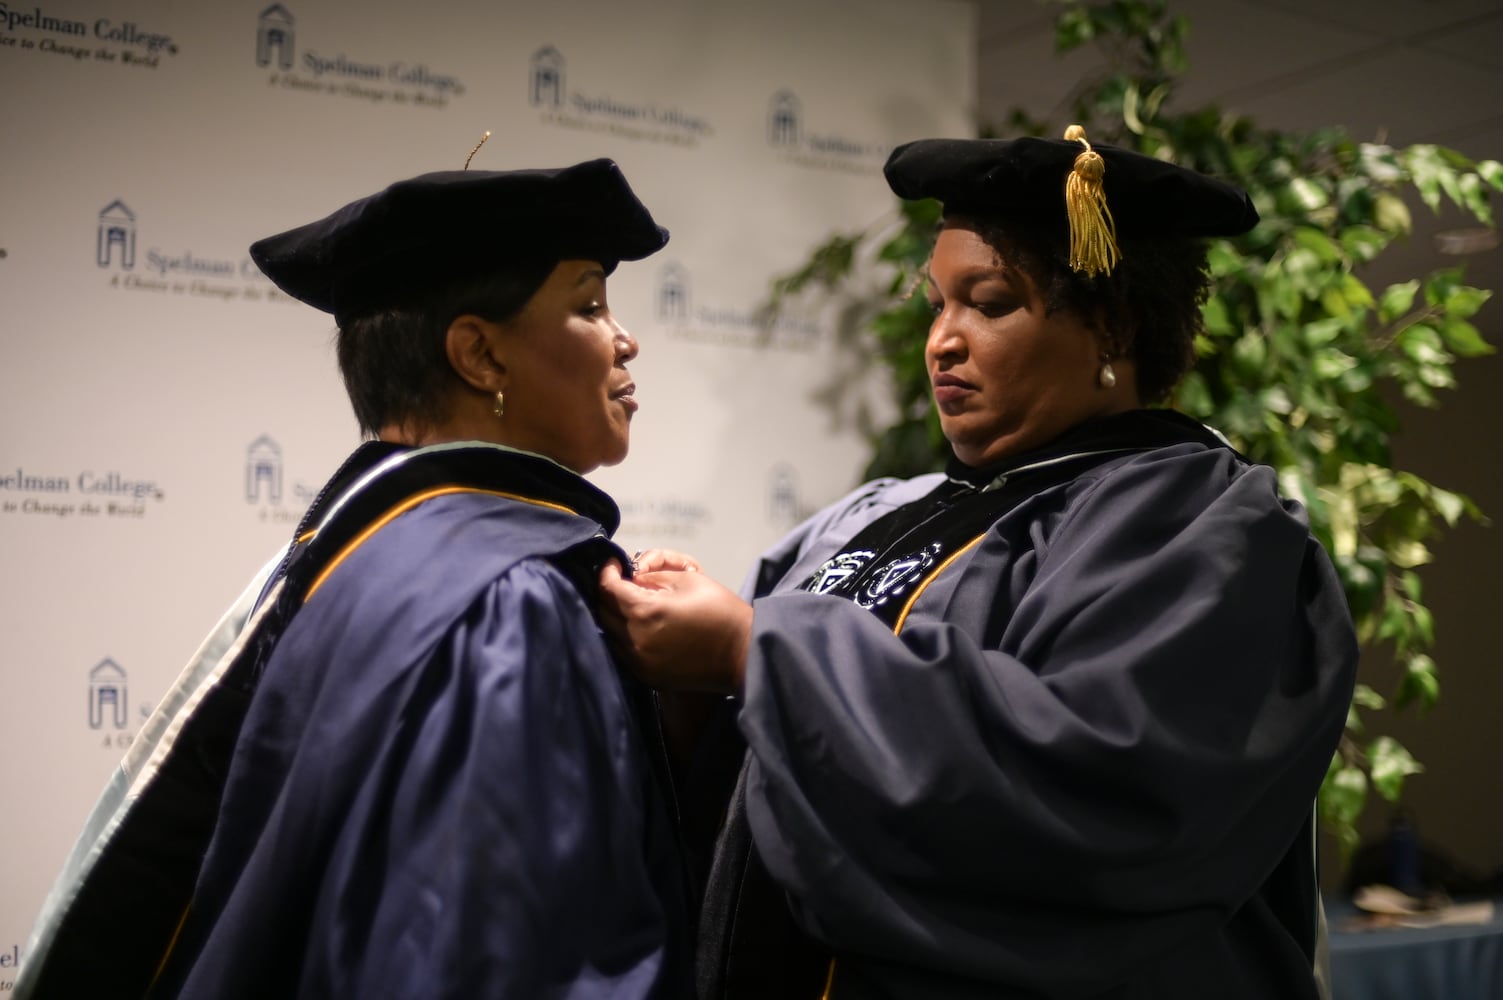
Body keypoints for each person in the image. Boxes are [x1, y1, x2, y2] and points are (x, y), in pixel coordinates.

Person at [599, 128, 1358, 999]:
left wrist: (753, 652)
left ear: (1111, 327)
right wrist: (693, 693)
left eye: (989, 303)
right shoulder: (885, 511)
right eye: (936, 304)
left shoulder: (1203, 527)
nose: (941, 342)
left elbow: (1097, 788)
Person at [16, 158, 690, 999]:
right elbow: (498, 960)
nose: (624, 339)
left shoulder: (352, 557)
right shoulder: (509, 600)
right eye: (588, 305)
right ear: (479, 354)